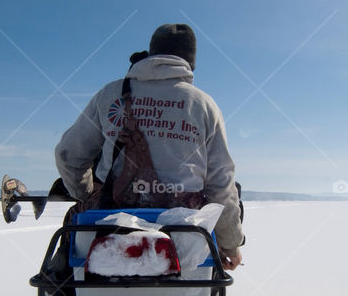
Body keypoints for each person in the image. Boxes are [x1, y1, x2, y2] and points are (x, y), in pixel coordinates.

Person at [55, 23, 244, 270]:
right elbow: (221, 184)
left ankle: (63, 283)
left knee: (72, 225)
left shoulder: (110, 94)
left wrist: (86, 195)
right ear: (190, 62)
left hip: (109, 219)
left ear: (151, 53)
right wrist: (230, 244)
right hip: (184, 231)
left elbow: (68, 155)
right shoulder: (204, 105)